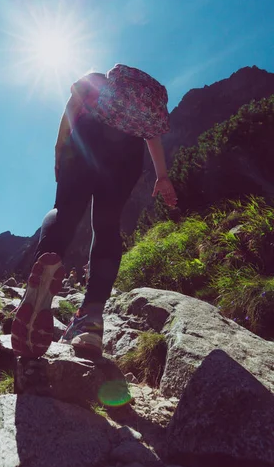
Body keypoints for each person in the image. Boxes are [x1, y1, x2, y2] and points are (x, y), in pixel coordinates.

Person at [11, 64, 177, 358]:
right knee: (107, 225)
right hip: (128, 156)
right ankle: (91, 320)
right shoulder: (138, 114)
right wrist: (162, 176)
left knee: (63, 210)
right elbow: (152, 136)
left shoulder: (96, 82)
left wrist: (60, 147)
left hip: (86, 139)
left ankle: (44, 272)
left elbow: (72, 106)